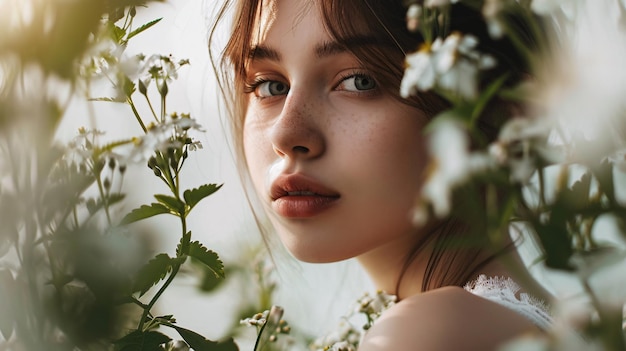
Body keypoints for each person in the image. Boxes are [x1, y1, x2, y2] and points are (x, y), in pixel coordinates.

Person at [212, 0, 552, 349]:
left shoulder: (426, 334)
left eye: (359, 81)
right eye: (270, 86)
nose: (285, 135)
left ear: (504, 115)